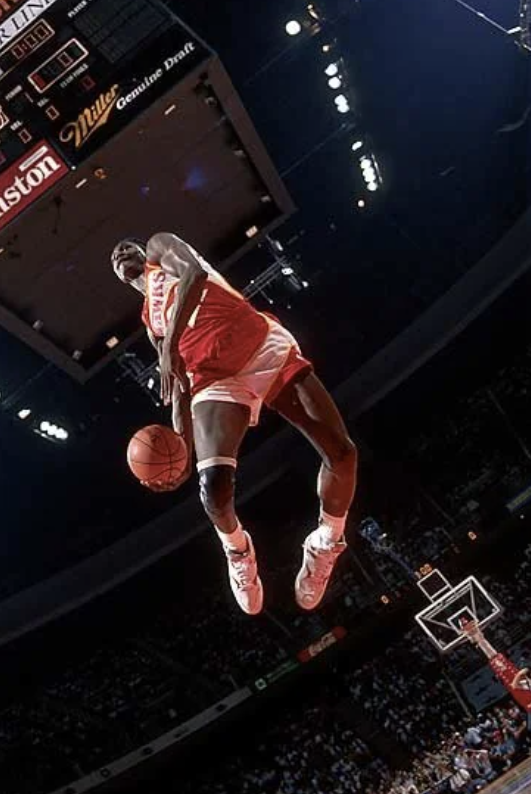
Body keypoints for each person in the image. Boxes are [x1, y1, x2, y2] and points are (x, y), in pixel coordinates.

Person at [110, 233, 358, 613]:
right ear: (119, 280)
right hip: (215, 380)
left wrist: (171, 344)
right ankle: (238, 552)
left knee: (342, 455)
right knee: (213, 490)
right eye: (114, 259)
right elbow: (177, 383)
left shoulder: (162, 250)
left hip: (260, 347)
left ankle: (325, 542)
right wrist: (181, 447)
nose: (119, 253)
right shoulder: (150, 320)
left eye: (126, 247)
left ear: (141, 252)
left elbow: (193, 274)